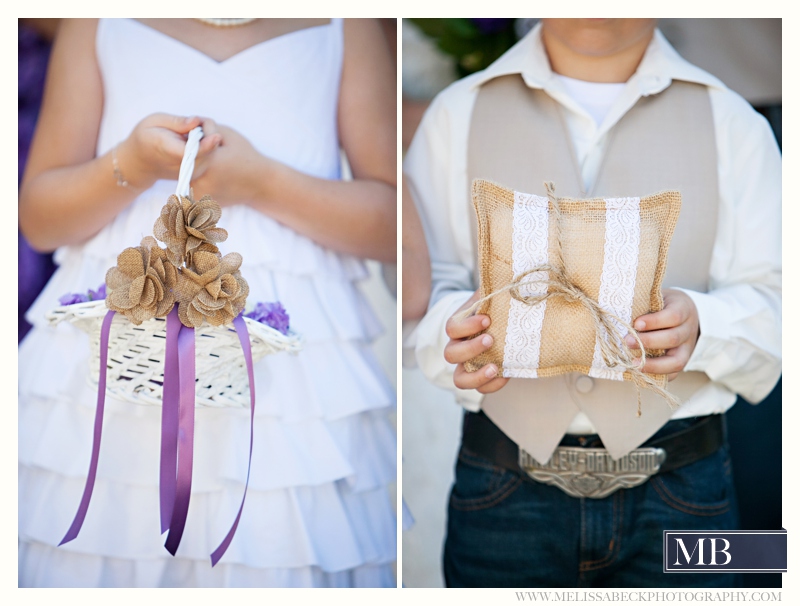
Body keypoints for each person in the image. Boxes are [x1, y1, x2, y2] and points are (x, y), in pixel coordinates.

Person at [18, 18, 396, 588]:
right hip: (116, 369)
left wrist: (263, 183)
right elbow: (40, 219)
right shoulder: (96, 17)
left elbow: (395, 226)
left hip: (293, 390)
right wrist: (131, 164)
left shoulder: (347, 22)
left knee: (276, 546)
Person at [404, 18, 780, 588]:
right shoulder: (458, 113)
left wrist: (704, 326)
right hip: (502, 492)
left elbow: (777, 301)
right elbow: (423, 285)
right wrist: (450, 334)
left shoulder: (734, 122)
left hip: (687, 493)